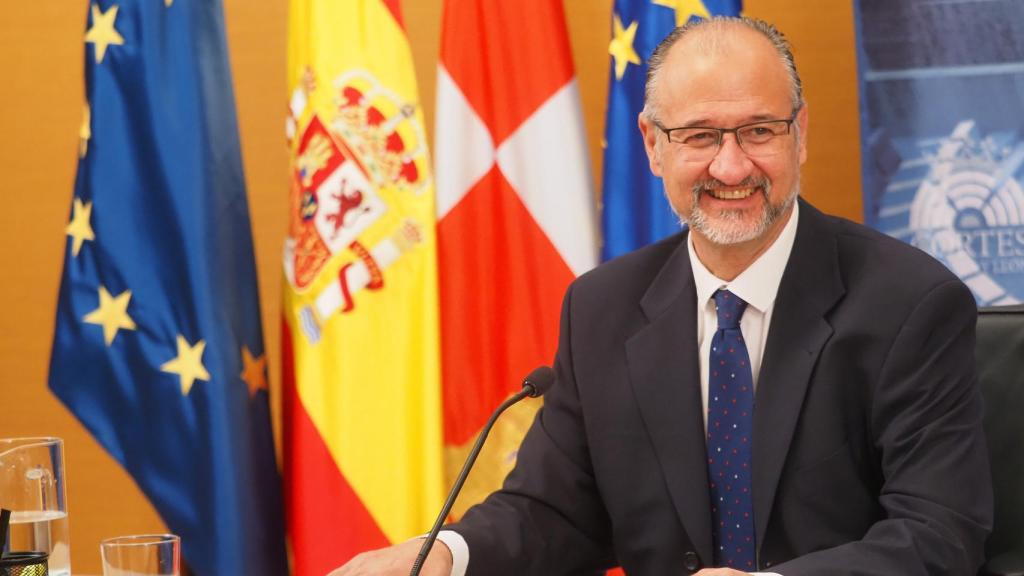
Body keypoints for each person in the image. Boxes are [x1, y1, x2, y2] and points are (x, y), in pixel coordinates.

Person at [332, 16, 992, 576]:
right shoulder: (601, 309)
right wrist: (445, 553)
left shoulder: (911, 304)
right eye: (701, 136)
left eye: (759, 131)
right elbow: (556, 510)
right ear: (652, 145)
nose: (732, 167)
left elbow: (939, 534)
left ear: (801, 133)